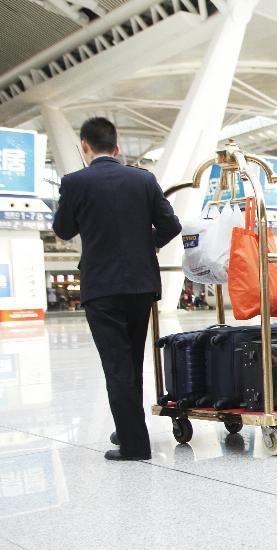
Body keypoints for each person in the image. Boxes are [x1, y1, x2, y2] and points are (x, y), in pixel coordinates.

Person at [52, 117, 181, 461]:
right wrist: (146, 245)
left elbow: (63, 230)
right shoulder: (143, 179)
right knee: (132, 362)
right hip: (140, 284)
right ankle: (128, 429)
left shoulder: (75, 182)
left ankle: (135, 445)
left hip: (102, 287)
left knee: (116, 365)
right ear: (117, 147)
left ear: (85, 146)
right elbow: (171, 225)